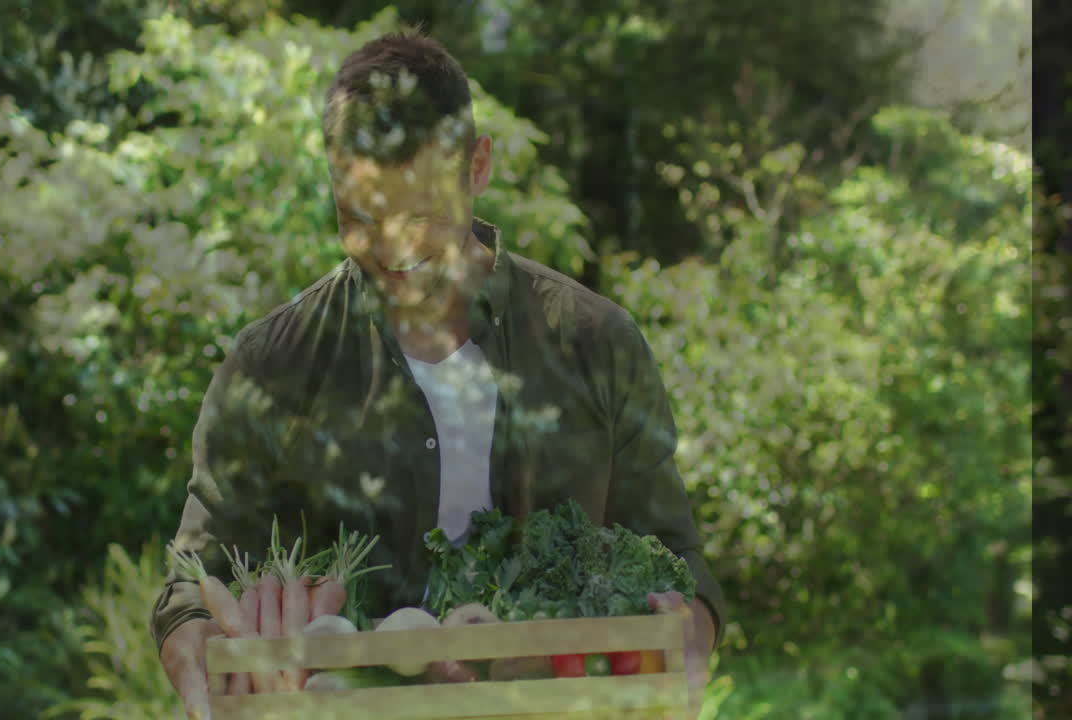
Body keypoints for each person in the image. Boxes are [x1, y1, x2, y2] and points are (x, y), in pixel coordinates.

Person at [152, 28, 727, 720]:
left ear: (477, 167)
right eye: (360, 216)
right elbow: (193, 588)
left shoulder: (595, 343)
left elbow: (678, 562)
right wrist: (203, 663)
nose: (394, 249)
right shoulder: (272, 364)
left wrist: (685, 637)